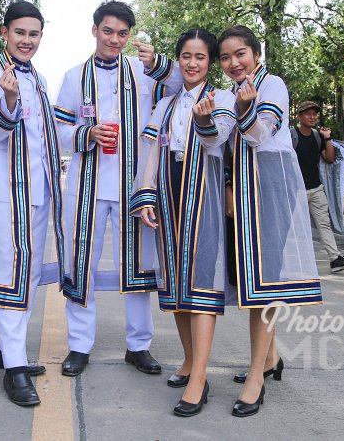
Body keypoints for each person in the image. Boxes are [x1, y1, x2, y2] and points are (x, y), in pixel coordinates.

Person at [54, 0, 182, 379]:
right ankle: (79, 345)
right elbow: (60, 132)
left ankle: (139, 345)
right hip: (86, 187)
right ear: (94, 30)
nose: (114, 39)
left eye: (122, 33)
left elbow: (183, 84)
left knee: (139, 268)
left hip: (134, 187)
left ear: (130, 36)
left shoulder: (145, 74)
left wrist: (158, 62)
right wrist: (87, 133)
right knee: (81, 265)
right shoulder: (74, 77)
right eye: (108, 31)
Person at [129, 28, 235, 417]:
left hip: (202, 194)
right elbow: (151, 152)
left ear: (211, 63)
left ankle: (199, 378)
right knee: (173, 284)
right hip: (168, 197)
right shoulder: (166, 104)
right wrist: (144, 195)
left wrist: (204, 122)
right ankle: (191, 360)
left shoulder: (220, 99)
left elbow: (216, 141)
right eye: (186, 56)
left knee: (202, 284)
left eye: (200, 57)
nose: (192, 63)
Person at [219, 25, 322, 418]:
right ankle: (271, 357)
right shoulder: (227, 93)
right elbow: (223, 144)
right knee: (250, 276)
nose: (233, 63)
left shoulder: (272, 84)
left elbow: (262, 133)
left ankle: (256, 377)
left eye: (240, 54)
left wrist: (244, 112)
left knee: (264, 278)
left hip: (270, 180)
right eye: (226, 57)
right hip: (241, 185)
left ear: (256, 54)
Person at [0, 1, 64, 407]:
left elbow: (48, 139)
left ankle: (7, 349)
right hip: (10, 193)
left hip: (40, 190)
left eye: (34, 34)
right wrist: (7, 102)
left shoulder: (41, 79)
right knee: (12, 272)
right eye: (20, 32)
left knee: (26, 274)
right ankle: (14, 369)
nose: (27, 40)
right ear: (5, 33)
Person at [293, 101, 344, 273]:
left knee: (324, 224)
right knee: (294, 227)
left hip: (316, 188)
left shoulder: (317, 136)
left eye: (314, 114)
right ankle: (288, 260)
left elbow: (329, 158)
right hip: (296, 190)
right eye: (307, 114)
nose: (312, 117)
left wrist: (327, 138)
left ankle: (335, 258)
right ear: (299, 116)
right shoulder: (292, 136)